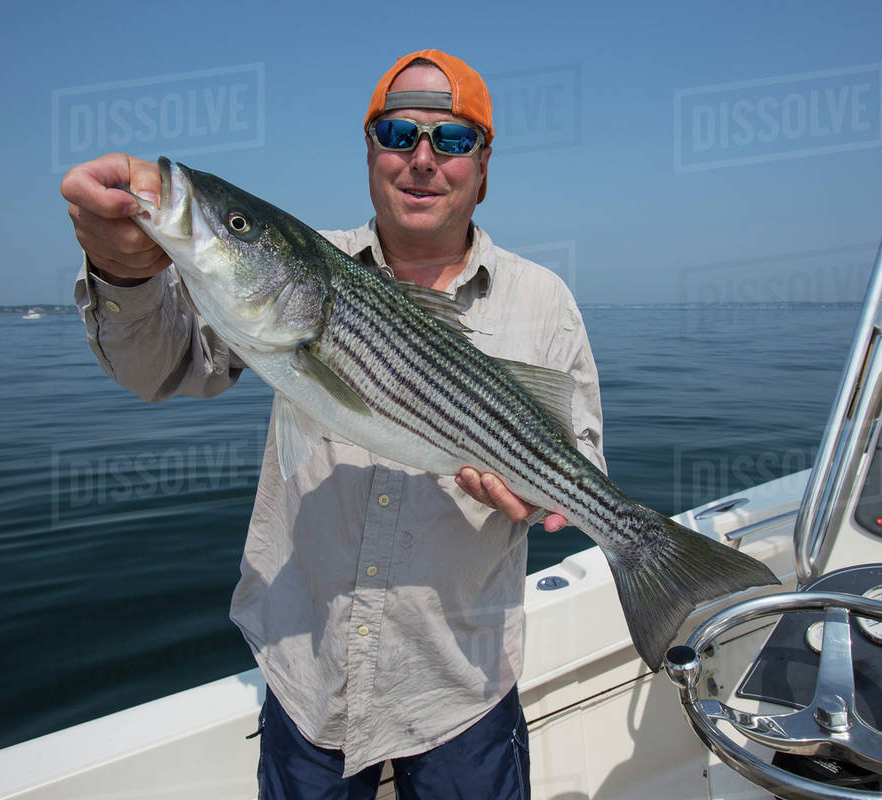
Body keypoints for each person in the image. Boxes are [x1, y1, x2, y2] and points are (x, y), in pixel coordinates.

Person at [61, 49, 605, 799]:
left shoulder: (544, 302)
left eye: (450, 141)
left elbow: (580, 462)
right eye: (396, 134)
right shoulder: (313, 269)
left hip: (459, 690)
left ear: (483, 164)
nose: (421, 159)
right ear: (370, 150)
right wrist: (124, 270)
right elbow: (159, 365)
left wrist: (549, 496)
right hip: (306, 684)